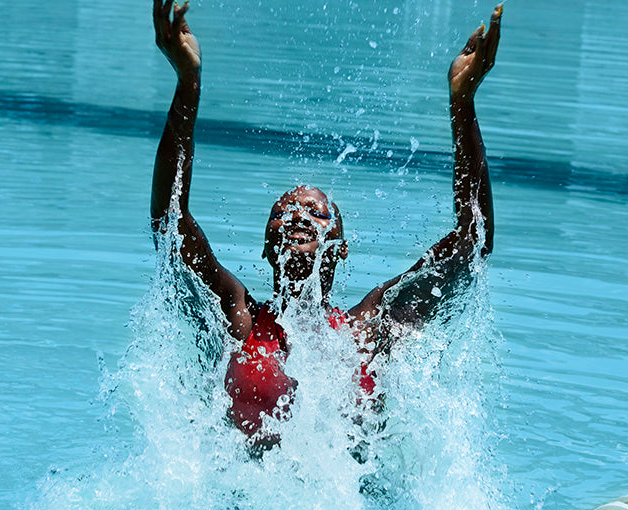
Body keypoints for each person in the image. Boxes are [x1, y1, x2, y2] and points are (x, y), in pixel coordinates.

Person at [151, 0, 502, 449]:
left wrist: (463, 103)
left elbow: (474, 240)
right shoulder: (236, 318)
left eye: (317, 214)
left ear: (339, 248)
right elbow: (169, 222)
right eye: (282, 212)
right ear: (265, 248)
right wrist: (188, 84)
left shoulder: (372, 326)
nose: (298, 215)